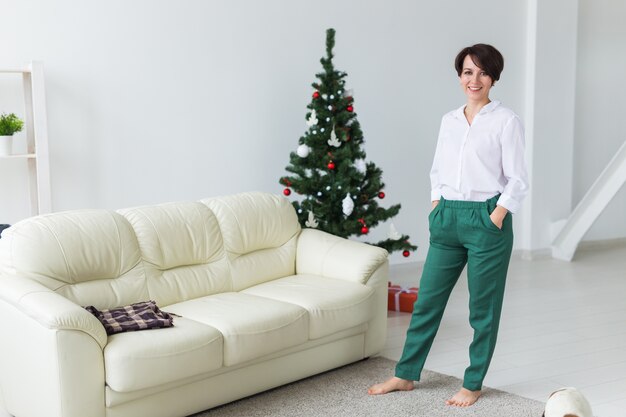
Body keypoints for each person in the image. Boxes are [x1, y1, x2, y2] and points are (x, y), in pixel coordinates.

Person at [368, 43, 529, 407]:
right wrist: (437, 204)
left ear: (494, 78)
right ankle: (406, 374)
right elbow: (438, 170)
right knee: (427, 301)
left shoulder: (506, 121)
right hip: (447, 218)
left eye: (483, 72)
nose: (475, 79)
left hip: (486, 219)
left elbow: (518, 179)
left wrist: (497, 216)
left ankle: (472, 383)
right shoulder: (449, 120)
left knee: (482, 309)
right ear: (460, 76)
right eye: (468, 71)